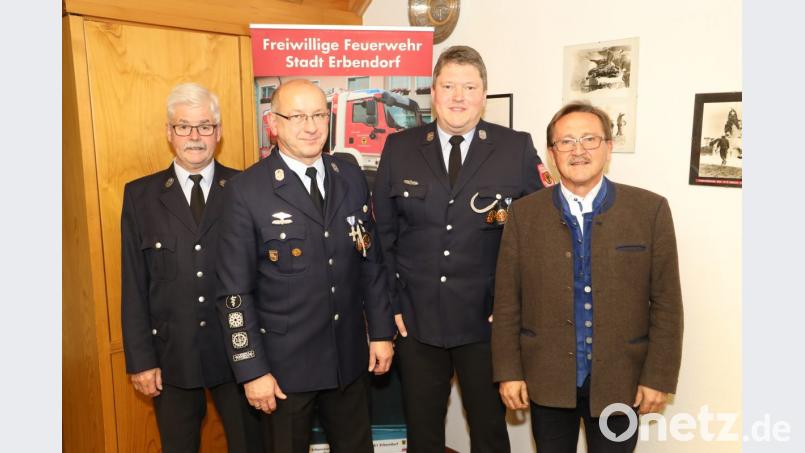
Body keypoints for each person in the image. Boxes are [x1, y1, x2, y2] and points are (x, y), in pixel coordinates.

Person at [373, 45, 550, 453]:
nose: (458, 96)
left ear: (483, 94)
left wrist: (516, 306)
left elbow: (540, 236)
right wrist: (390, 305)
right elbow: (383, 238)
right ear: (433, 92)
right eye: (448, 85)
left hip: (485, 321)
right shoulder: (400, 148)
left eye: (469, 87)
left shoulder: (515, 148)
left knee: (489, 430)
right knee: (423, 429)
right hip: (415, 320)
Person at [491, 101, 684, 453]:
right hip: (546, 379)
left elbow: (668, 304)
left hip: (621, 383)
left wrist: (658, 377)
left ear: (609, 148)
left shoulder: (650, 210)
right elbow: (507, 302)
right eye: (566, 142)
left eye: (590, 139)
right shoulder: (523, 214)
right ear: (552, 153)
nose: (578, 150)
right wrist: (509, 371)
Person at [215, 79, 395, 453]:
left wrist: (380, 332)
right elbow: (234, 293)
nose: (311, 126)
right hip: (283, 371)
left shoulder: (351, 178)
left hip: (347, 361)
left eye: (318, 115)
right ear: (273, 124)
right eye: (297, 116)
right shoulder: (246, 192)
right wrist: (252, 370)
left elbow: (369, 261)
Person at [121, 83, 262, 453]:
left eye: (205, 126)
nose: (195, 136)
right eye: (184, 126)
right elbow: (134, 283)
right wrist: (140, 360)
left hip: (239, 354)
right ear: (169, 133)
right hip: (171, 356)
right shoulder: (140, 196)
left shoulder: (247, 187)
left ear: (219, 132)